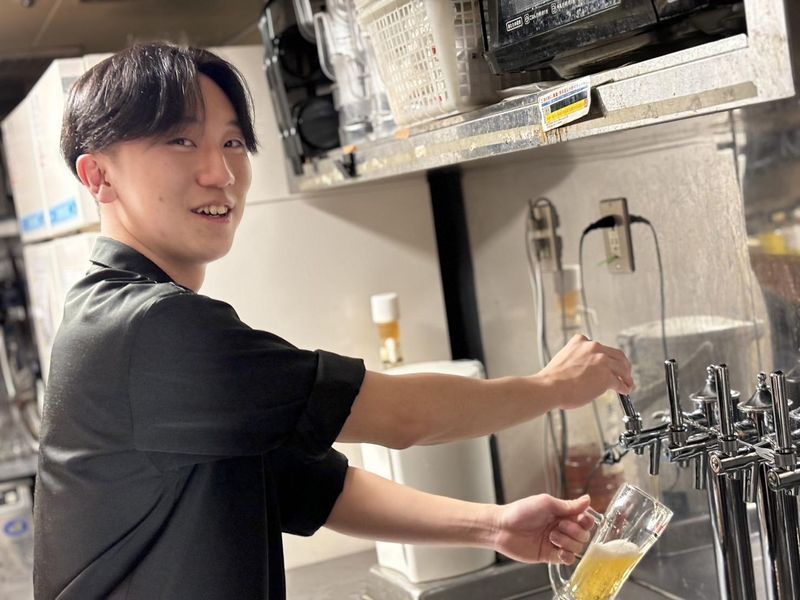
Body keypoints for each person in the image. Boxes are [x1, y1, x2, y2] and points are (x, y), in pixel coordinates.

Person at [32, 42, 634, 600]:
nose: (221, 173)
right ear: (99, 176)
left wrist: (493, 526)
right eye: (182, 141)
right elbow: (402, 417)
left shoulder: (121, 314)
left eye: (233, 142)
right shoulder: (152, 327)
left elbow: (316, 487)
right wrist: (554, 387)